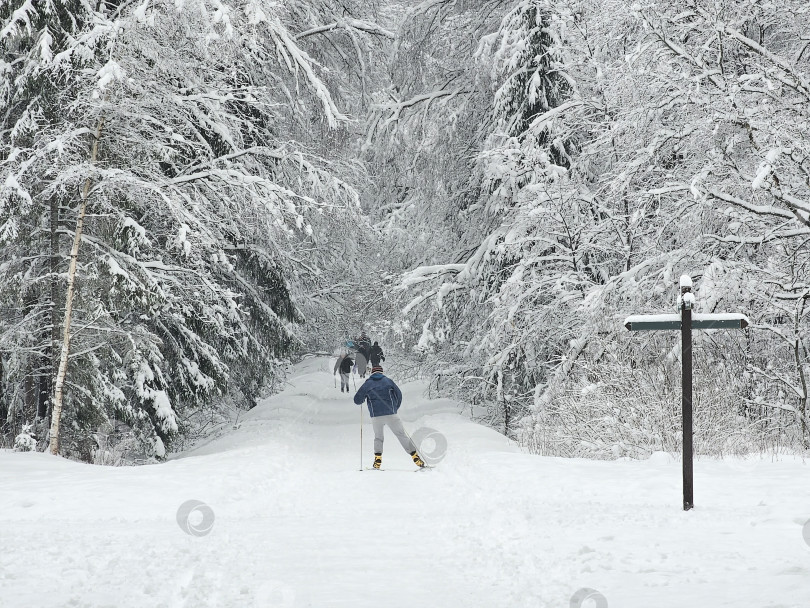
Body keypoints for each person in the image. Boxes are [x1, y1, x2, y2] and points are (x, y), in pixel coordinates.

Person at [353, 365, 425, 469]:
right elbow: (399, 395)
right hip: (391, 414)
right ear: (381, 372)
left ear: (372, 373)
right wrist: (395, 408)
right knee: (401, 435)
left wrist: (363, 398)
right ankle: (415, 457)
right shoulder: (388, 381)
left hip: (376, 416)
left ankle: (377, 461)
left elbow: (357, 400)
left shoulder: (368, 383)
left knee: (378, 438)